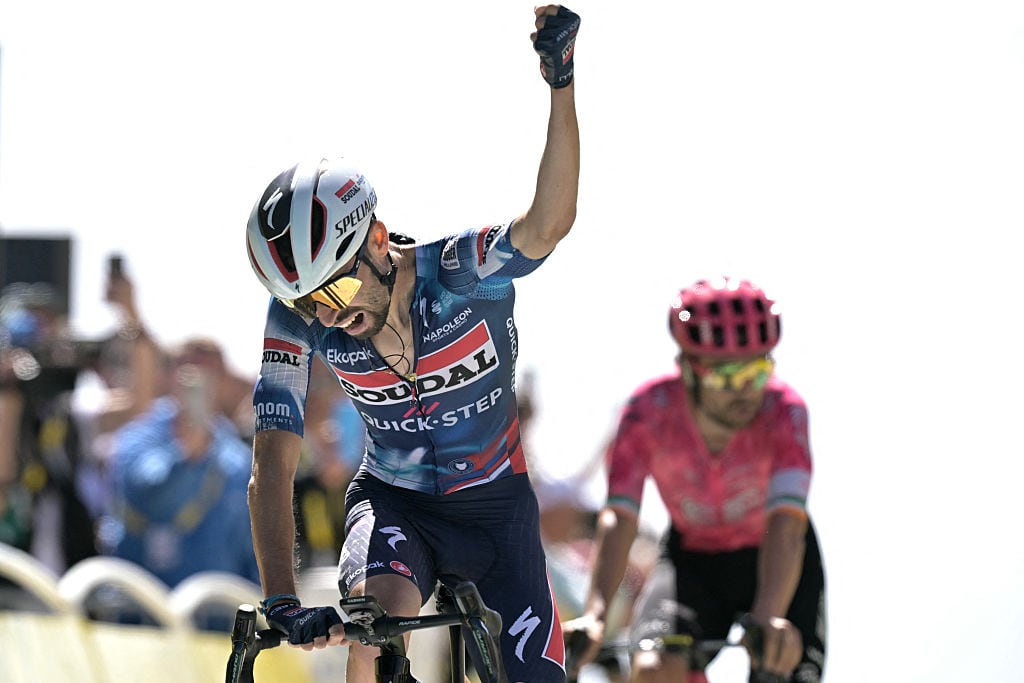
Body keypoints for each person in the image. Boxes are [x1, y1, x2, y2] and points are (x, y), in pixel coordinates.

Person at [243, 6, 580, 682]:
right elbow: (273, 464)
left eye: (334, 292)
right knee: (375, 628)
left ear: (376, 240)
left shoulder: (460, 275)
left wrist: (561, 85)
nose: (326, 317)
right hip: (396, 506)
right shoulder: (299, 322)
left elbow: (548, 222)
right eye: (306, 303)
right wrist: (281, 596)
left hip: (496, 513)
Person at [563, 277, 827, 683]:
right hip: (693, 561)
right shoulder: (646, 414)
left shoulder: (785, 412)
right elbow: (619, 517)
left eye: (756, 372)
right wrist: (596, 615)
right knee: (653, 670)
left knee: (777, 664)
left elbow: (787, 523)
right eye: (725, 377)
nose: (745, 392)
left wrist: (769, 614)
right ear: (687, 369)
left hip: (777, 557)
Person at [105, 337, 260, 588]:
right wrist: (186, 453)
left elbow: (249, 544)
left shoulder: (239, 457)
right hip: (143, 610)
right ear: (168, 376)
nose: (199, 383)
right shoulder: (135, 439)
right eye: (189, 371)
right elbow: (148, 498)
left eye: (210, 373)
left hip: (216, 613)